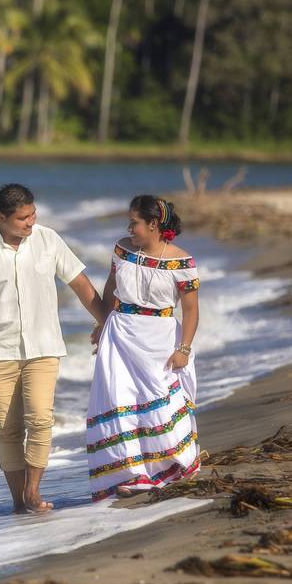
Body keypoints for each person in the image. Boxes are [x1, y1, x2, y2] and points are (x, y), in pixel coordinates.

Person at [0, 183, 107, 514]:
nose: (31, 223)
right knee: (8, 430)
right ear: (1, 217)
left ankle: (33, 492)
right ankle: (18, 502)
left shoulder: (48, 239)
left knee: (40, 419)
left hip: (44, 347)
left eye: (33, 214)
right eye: (23, 218)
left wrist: (107, 321)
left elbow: (79, 283)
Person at [85, 195, 201, 501]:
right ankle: (132, 474)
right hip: (120, 335)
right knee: (119, 401)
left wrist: (184, 349)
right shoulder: (122, 249)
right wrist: (103, 323)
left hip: (159, 340)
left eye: (134, 222)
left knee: (158, 404)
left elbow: (190, 311)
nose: (129, 227)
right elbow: (111, 287)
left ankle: (167, 468)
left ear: (153, 224)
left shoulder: (183, 262)